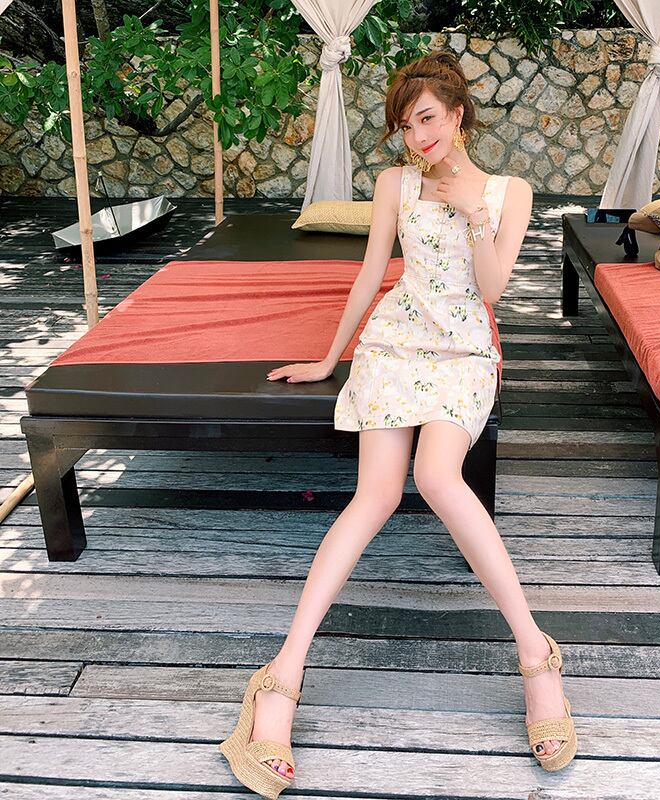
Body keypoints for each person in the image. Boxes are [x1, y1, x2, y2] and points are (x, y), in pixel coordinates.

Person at [219, 51, 577, 799]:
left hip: (464, 349)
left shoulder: (509, 191)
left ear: (458, 114)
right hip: (395, 340)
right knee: (375, 495)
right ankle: (282, 676)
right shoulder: (394, 184)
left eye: (427, 120)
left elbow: (491, 290)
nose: (418, 138)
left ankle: (536, 657)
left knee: (437, 475)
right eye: (406, 127)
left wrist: (472, 211)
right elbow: (370, 273)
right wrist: (329, 358)